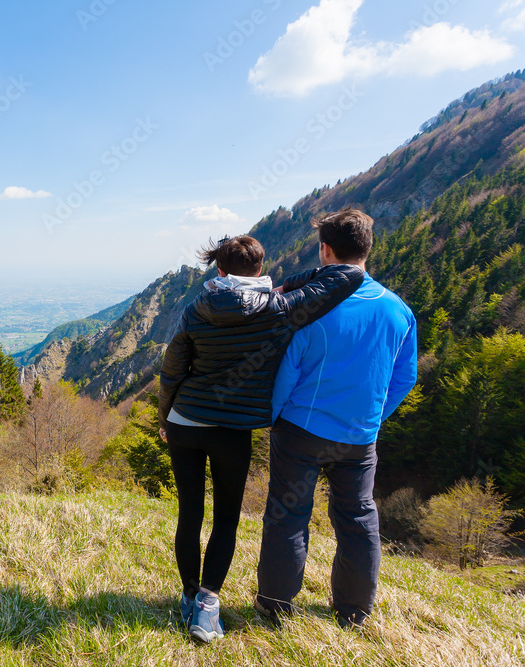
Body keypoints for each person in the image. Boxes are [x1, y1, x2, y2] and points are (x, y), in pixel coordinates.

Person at [158, 234, 365, 642]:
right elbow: (345, 277)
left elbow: (172, 369)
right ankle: (206, 605)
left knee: (189, 513)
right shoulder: (280, 309)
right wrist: (286, 284)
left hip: (185, 420)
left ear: (219, 271)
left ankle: (185, 595)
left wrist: (165, 418)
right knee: (226, 519)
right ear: (260, 271)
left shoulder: (196, 309)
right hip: (231, 431)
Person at [255, 207, 417, 629]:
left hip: (301, 430)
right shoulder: (398, 310)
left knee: (288, 516)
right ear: (367, 247)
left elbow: (287, 372)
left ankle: (274, 605)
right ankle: (354, 610)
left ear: (325, 250)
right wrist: (373, 417)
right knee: (358, 517)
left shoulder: (314, 308)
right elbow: (405, 375)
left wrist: (273, 418)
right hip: (359, 436)